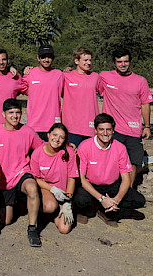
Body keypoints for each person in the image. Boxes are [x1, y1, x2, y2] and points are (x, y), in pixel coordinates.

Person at [0, 98, 44, 247]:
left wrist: (67, 145)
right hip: (1, 179)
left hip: (20, 174)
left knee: (32, 187)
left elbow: (43, 148)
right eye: (11, 112)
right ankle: (16, 204)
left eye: (18, 112)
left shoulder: (28, 131)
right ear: (3, 114)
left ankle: (32, 229)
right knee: (7, 220)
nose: (15, 116)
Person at [73, 113, 146, 226]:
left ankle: (106, 211)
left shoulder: (120, 148)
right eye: (101, 129)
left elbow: (126, 179)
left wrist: (116, 200)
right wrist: (102, 199)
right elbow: (82, 180)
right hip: (90, 185)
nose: (105, 133)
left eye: (108, 129)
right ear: (96, 130)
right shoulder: (85, 146)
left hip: (111, 186)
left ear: (113, 131)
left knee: (139, 200)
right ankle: (90, 210)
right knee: (79, 199)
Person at [99, 49, 152, 186]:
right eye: (119, 62)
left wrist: (146, 126)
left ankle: (127, 193)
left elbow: (145, 104)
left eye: (125, 61)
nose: (123, 64)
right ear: (114, 63)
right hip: (111, 131)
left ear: (130, 62)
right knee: (111, 163)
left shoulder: (140, 81)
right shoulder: (104, 77)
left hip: (133, 130)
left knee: (132, 163)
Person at [30, 123, 78, 234]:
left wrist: (67, 201)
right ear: (48, 135)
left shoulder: (69, 152)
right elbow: (35, 178)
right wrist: (52, 189)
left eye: (61, 137)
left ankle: (56, 212)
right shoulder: (38, 152)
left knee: (64, 229)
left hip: (63, 193)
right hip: (47, 189)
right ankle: (42, 212)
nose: (57, 139)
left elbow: (72, 179)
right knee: (50, 206)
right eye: (54, 135)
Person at [22, 44, 64, 140]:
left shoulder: (60, 74)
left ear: (53, 58)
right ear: (38, 58)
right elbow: (18, 86)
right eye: (43, 57)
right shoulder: (30, 74)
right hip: (34, 125)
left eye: (49, 57)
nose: (46, 60)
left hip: (54, 125)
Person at [62, 48, 100, 147]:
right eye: (85, 60)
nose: (89, 63)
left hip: (90, 127)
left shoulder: (96, 77)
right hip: (71, 128)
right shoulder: (65, 76)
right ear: (76, 61)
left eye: (90, 60)